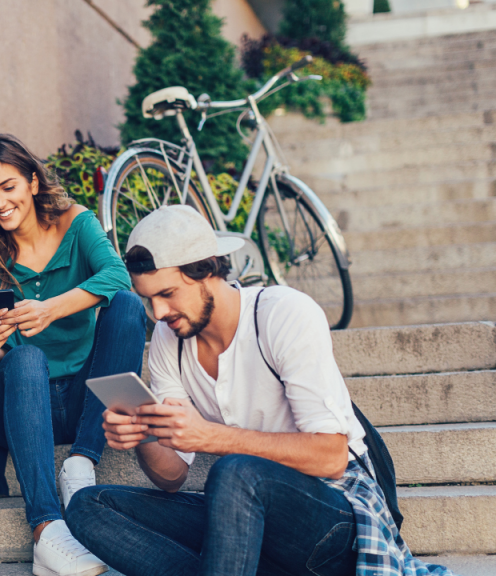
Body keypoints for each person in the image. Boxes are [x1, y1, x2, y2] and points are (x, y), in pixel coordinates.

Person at [66, 205, 455, 576]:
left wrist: (213, 437)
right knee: (89, 506)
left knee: (235, 472)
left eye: (167, 294)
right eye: (148, 300)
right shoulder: (173, 340)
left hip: (334, 522)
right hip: (245, 524)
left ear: (206, 271)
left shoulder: (282, 314)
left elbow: (333, 455)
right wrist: (145, 433)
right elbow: (172, 477)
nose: (159, 314)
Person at [0, 134, 146, 576]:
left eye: (8, 187)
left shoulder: (76, 223)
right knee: (25, 360)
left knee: (127, 306)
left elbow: (119, 276)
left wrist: (50, 308)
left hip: (86, 398)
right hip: (23, 409)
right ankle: (46, 526)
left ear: (31, 180)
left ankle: (81, 461)